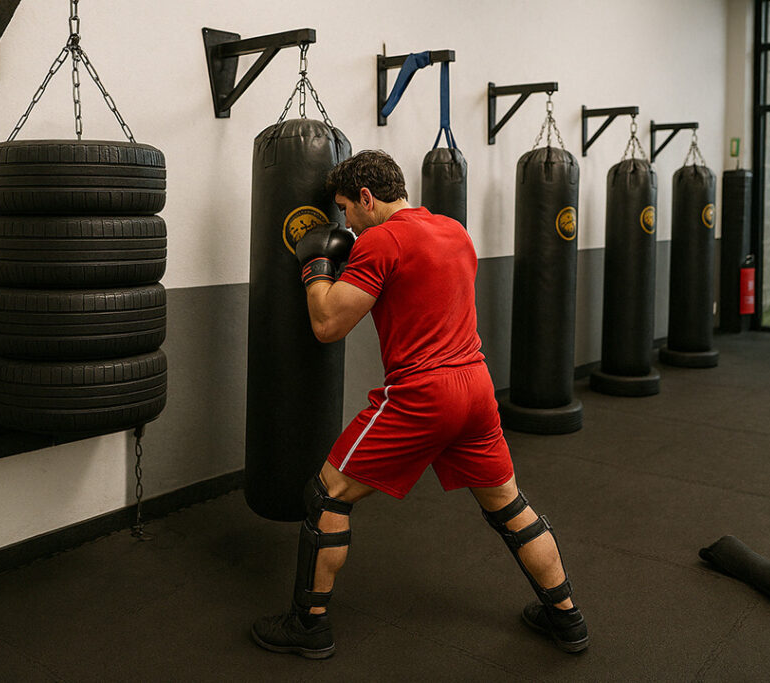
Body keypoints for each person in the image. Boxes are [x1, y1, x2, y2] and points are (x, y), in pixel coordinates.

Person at [251, 150, 588, 659]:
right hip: (476, 387)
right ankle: (567, 618)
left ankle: (309, 623)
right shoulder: (454, 230)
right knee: (510, 506)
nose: (345, 221)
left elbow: (327, 326)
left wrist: (316, 267)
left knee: (327, 495)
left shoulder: (381, 241)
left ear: (367, 198)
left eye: (345, 208)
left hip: (422, 395)